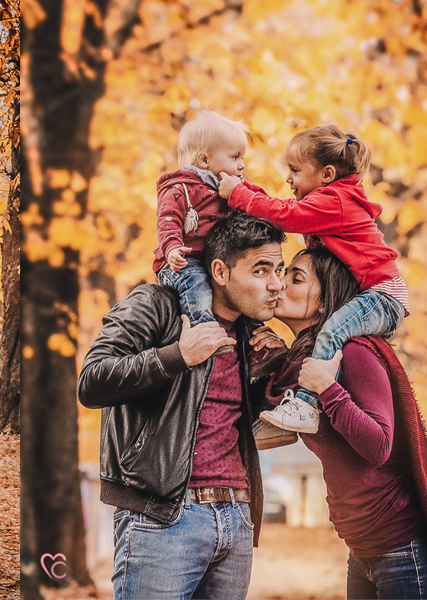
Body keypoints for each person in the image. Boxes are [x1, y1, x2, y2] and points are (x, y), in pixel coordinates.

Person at [78, 211, 287, 600]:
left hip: (237, 517)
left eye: (280, 270)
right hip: (163, 518)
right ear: (221, 271)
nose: (276, 284)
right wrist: (176, 355)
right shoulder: (156, 304)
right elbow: (92, 381)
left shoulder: (247, 334)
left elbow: (233, 418)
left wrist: (278, 373)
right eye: (261, 270)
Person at [267, 248, 427, 600]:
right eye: (282, 273)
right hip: (360, 549)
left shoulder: (353, 353)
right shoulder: (302, 361)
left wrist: (327, 388)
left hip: (399, 548)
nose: (279, 285)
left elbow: (378, 445)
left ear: (326, 303)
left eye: (296, 278)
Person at [219, 125, 410, 434]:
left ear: (326, 174)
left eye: (294, 170)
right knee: (327, 335)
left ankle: (306, 404)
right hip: (377, 293)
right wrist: (245, 189)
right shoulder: (329, 201)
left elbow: (285, 215)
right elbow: (281, 206)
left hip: (381, 294)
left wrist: (239, 194)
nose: (288, 178)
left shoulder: (335, 201)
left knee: (332, 332)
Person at [154, 109, 286, 377]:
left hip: (213, 259)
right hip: (185, 260)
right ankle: (206, 334)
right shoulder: (181, 188)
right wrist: (172, 248)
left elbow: (261, 201)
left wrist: (240, 190)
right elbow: (168, 218)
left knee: (249, 304)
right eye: (235, 157)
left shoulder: (227, 187)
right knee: (198, 289)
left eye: (242, 158)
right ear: (205, 159)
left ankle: (258, 349)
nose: (241, 165)